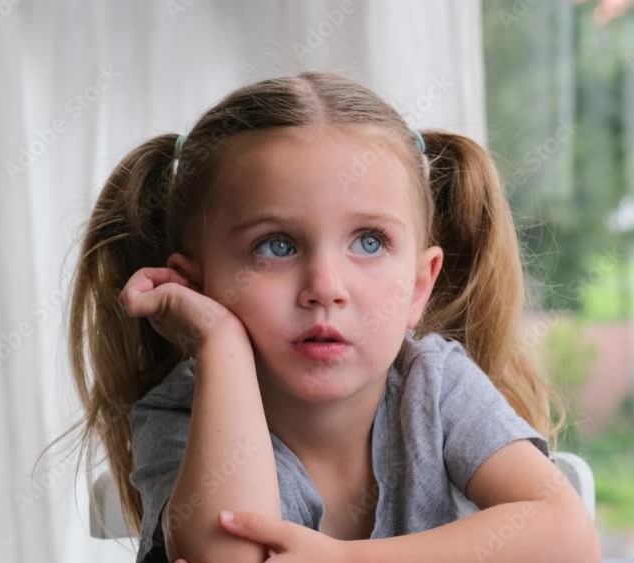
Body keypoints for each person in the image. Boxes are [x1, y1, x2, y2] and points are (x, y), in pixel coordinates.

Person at [64, 72, 598, 562]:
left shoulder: (433, 385)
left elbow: (566, 536)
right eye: (275, 246)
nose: (325, 288)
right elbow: (228, 560)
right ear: (197, 286)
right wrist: (219, 341)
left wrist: (347, 560)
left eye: (369, 241)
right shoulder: (181, 413)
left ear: (418, 286)